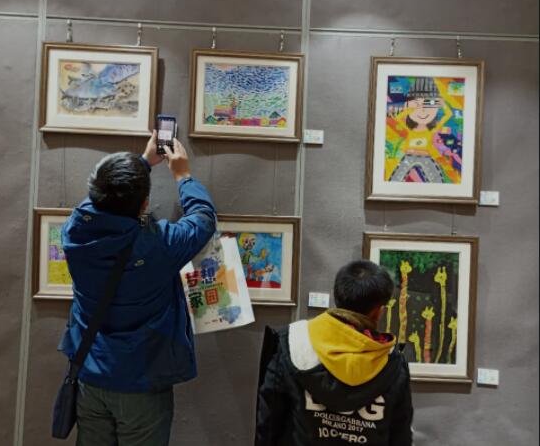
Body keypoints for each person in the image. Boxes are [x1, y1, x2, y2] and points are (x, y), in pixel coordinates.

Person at [57, 132, 217, 446]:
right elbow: (203, 218)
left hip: (90, 372)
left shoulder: (74, 232)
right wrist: (183, 175)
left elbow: (95, 203)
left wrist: (142, 164)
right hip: (142, 382)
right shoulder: (159, 244)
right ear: (145, 204)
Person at [255, 260, 413, 446]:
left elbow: (268, 423)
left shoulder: (293, 343)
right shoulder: (392, 363)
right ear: (378, 312)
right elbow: (400, 436)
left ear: (337, 297)